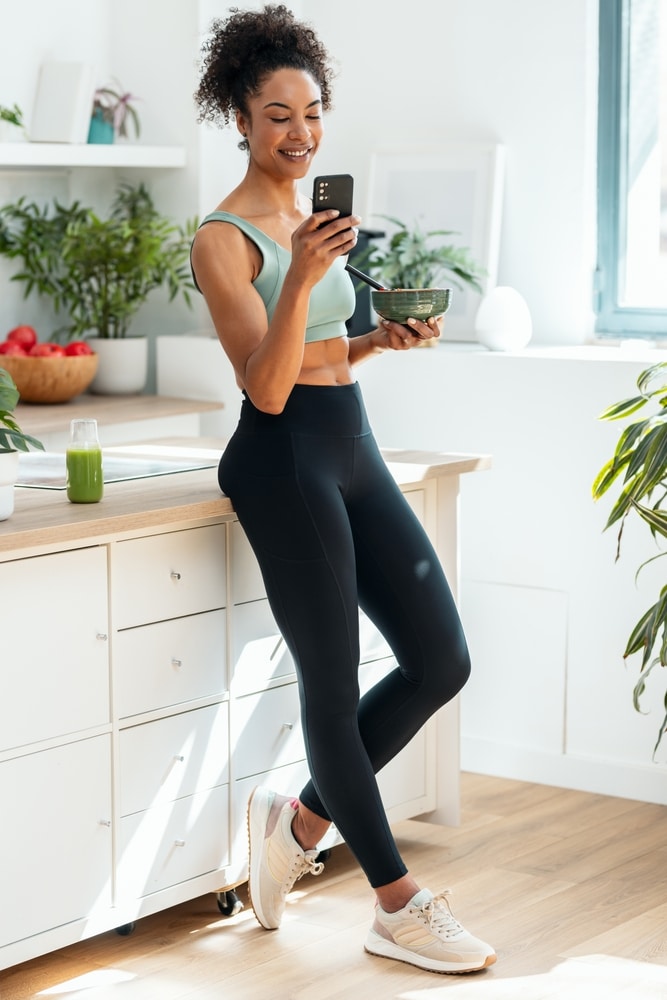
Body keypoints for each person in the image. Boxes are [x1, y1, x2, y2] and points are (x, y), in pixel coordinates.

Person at [191, 4, 496, 976]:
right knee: (328, 678)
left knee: (440, 658)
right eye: (276, 114)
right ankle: (396, 901)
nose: (300, 132)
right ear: (239, 118)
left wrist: (375, 338)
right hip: (280, 458)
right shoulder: (225, 238)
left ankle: (297, 823)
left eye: (312, 111)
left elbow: (319, 356)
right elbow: (267, 385)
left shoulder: (313, 220)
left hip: (351, 438)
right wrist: (300, 278)